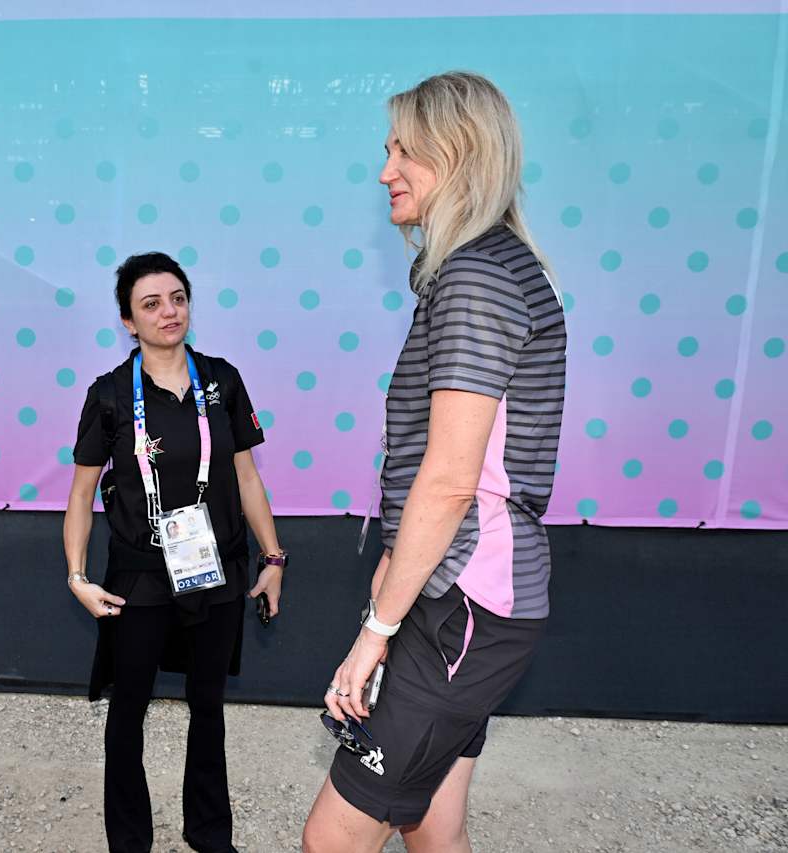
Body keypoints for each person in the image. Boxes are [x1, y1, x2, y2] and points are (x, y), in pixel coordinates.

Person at [302, 71, 567, 852]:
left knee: (332, 839)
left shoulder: (479, 277)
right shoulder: (484, 267)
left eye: (404, 151)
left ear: (459, 156)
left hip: (466, 603)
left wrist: (374, 632)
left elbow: (452, 479)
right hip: (461, 594)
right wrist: (393, 571)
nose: (385, 170)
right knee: (432, 827)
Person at [63, 251, 289, 853]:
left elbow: (246, 478)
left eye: (178, 298)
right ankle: (129, 842)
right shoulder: (110, 394)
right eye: (152, 304)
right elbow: (82, 492)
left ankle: (211, 835)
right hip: (139, 576)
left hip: (216, 571)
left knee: (208, 705)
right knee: (128, 710)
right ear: (129, 322)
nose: (170, 312)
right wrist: (77, 575)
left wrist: (272, 561)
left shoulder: (223, 379)